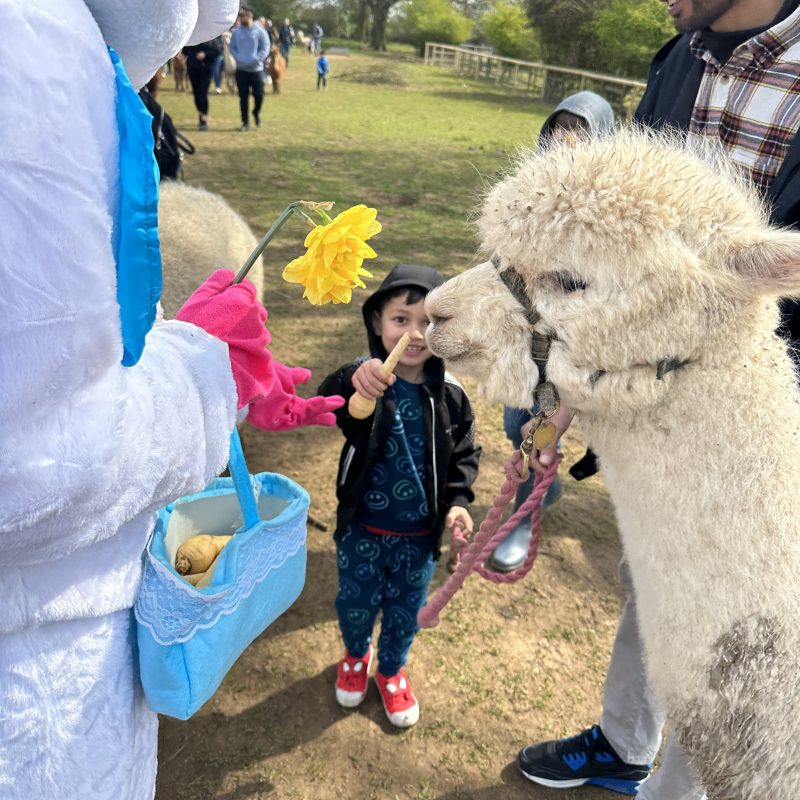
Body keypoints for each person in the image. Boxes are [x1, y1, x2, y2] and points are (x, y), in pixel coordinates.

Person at [516, 1, 800, 798]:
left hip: (766, 423)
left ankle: (686, 784)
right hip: (657, 405)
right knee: (658, 577)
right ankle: (624, 739)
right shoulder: (681, 56)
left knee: (740, 632)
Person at [318, 264, 481, 729]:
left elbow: (465, 454)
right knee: (355, 602)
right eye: (400, 320)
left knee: (405, 612)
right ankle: (354, 656)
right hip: (361, 530)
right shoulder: (366, 378)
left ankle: (390, 669)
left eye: (428, 322)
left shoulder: (451, 396)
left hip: (418, 539)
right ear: (377, 323)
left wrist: (458, 503)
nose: (414, 334)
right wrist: (355, 378)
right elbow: (333, 404)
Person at [489, 90, 614, 574]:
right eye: (559, 128)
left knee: (535, 427)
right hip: (527, 334)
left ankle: (525, 514)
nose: (567, 140)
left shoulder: (608, 208)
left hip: (575, 342)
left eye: (581, 130)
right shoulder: (526, 194)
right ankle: (546, 485)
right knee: (510, 422)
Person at [229, 6, 270, 131]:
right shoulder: (236, 32)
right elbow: (232, 47)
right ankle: (245, 122)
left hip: (256, 69)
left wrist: (257, 59)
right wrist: (238, 58)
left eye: (243, 16)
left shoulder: (260, 31)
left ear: (250, 16)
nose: (241, 18)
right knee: (243, 97)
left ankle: (256, 113)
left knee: (259, 95)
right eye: (240, 16)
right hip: (241, 70)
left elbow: (265, 47)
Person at [182, 36, 223, 130]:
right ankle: (200, 112)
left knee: (202, 93)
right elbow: (186, 48)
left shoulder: (214, 33)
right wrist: (182, 54)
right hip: (193, 67)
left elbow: (218, 49)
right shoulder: (193, 32)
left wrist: (205, 54)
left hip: (206, 69)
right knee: (196, 94)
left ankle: (203, 118)